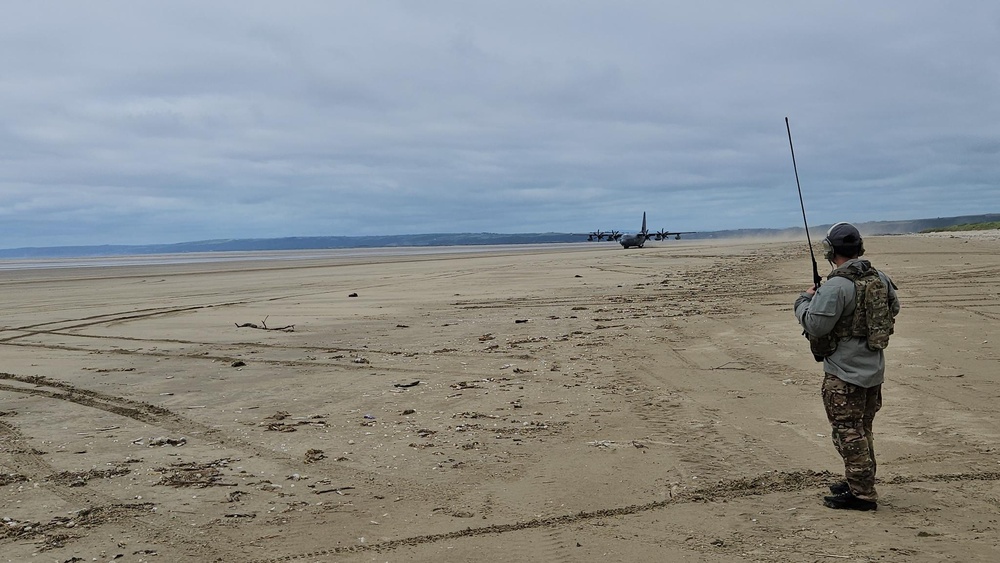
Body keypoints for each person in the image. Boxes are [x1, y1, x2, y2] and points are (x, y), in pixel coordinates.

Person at [794, 222, 899, 511]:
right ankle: (859, 480)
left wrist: (803, 301)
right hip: (873, 370)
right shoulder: (879, 277)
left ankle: (863, 495)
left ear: (830, 251)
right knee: (862, 429)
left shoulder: (838, 286)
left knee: (848, 432)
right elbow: (894, 308)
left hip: (844, 374)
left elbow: (815, 324)